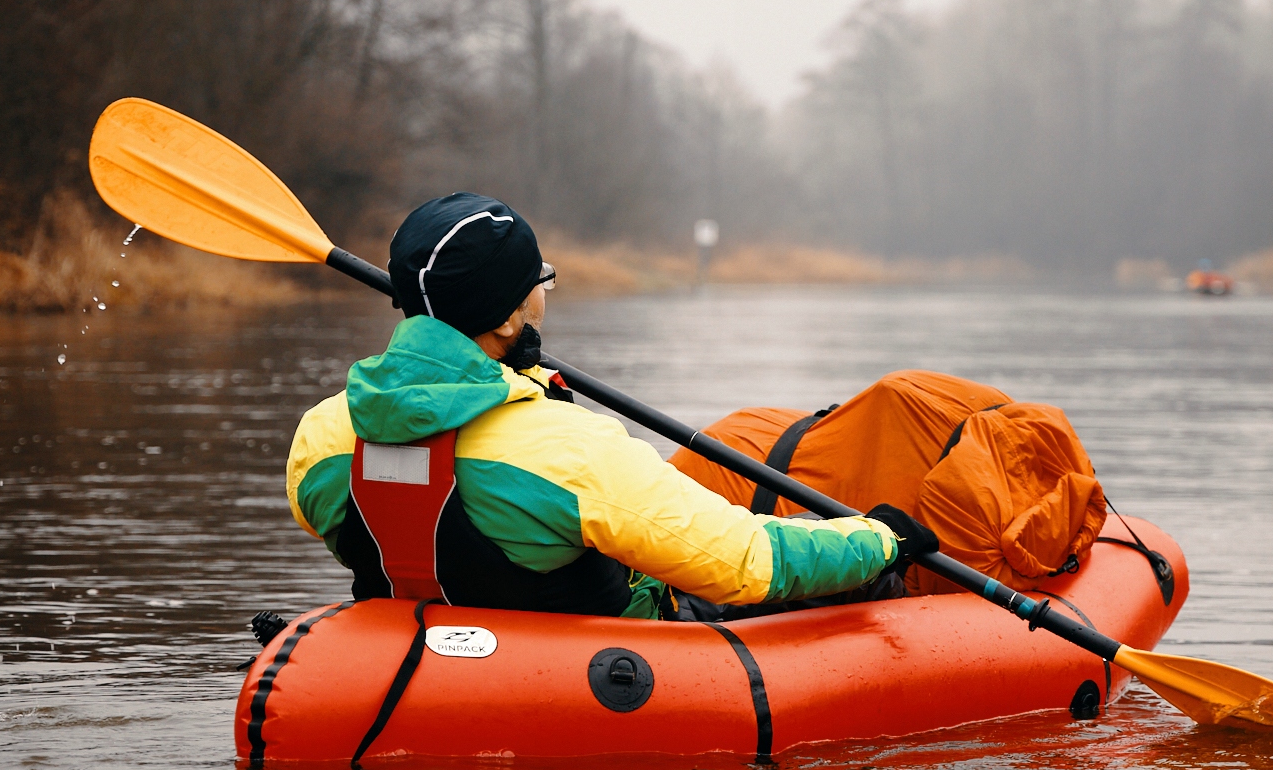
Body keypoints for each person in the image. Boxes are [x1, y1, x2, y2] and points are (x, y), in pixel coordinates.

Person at [284, 192, 937, 618]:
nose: (545, 295)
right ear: (509, 316)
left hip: (415, 653)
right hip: (600, 663)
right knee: (861, 583)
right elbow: (746, 565)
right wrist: (878, 539)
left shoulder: (321, 437)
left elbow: (418, 496)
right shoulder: (569, 449)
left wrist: (517, 390)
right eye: (541, 282)